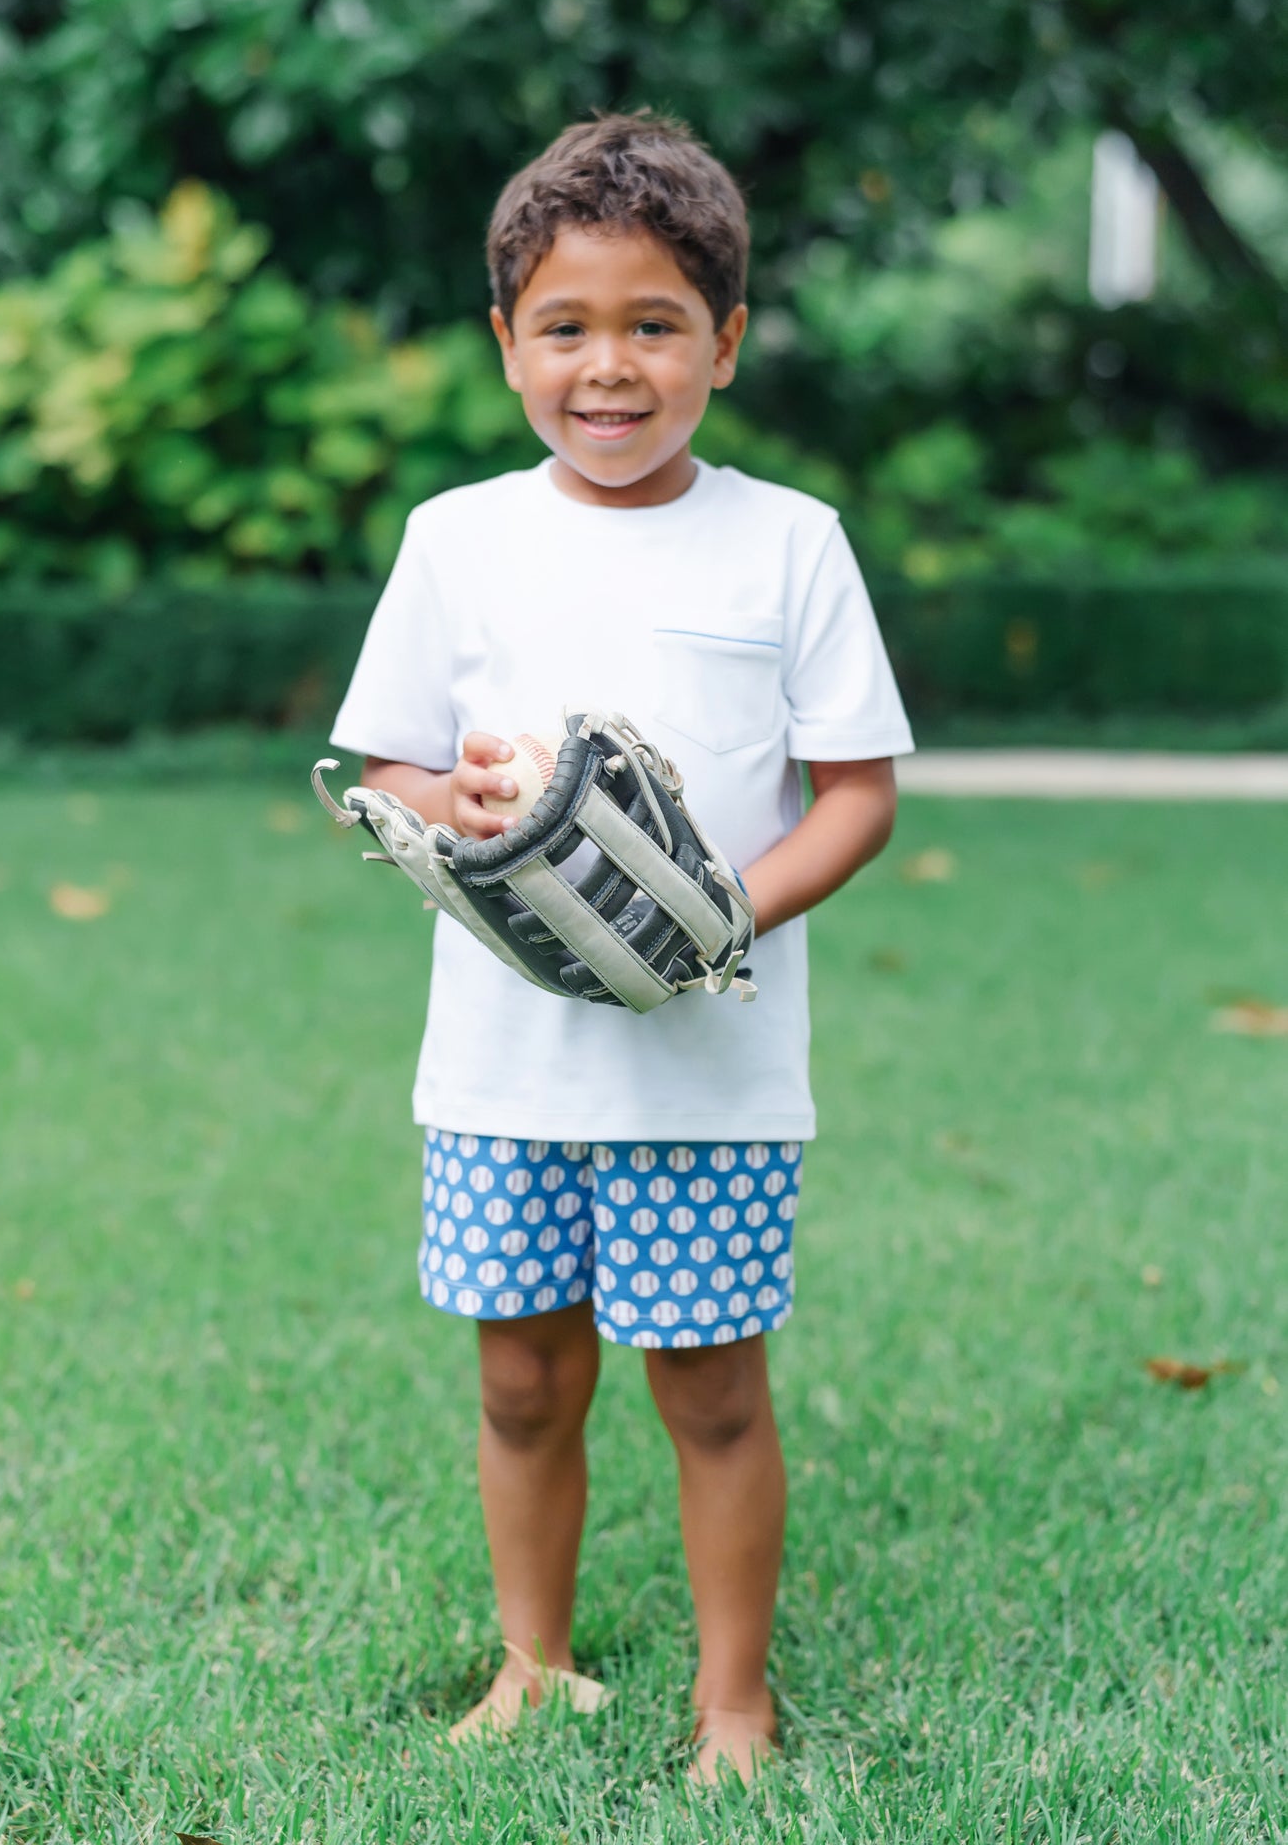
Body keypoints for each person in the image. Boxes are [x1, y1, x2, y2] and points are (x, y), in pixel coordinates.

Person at [329, 112, 913, 1781]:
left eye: (653, 324)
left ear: (722, 342)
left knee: (710, 1393)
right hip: (504, 1068)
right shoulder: (457, 537)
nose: (608, 366)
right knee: (522, 1383)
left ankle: (733, 1701)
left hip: (707, 1075)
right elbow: (387, 769)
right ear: (504, 341)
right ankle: (533, 1663)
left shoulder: (788, 539)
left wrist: (713, 921)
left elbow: (856, 797)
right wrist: (459, 801)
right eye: (565, 326)